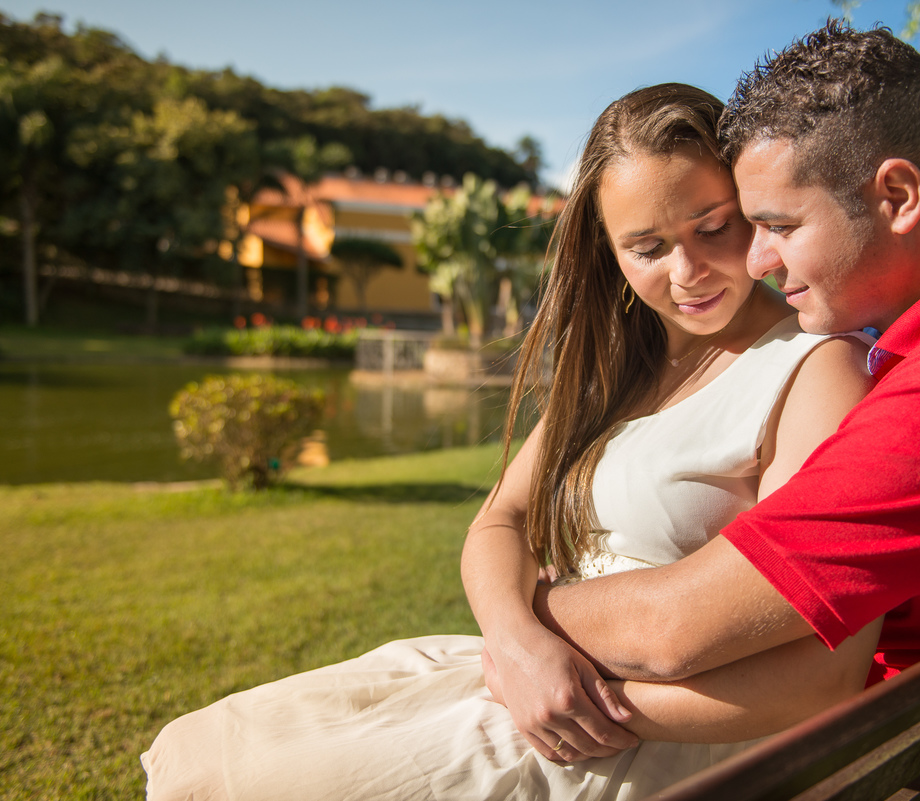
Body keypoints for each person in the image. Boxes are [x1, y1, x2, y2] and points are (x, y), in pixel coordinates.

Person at [141, 82, 880, 801]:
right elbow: (500, 518)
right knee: (212, 743)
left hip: (659, 739)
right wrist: (517, 645)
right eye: (647, 246)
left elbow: (824, 673)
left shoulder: (815, 369)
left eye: (713, 226)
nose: (687, 272)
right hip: (536, 681)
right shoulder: (619, 371)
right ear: (611, 254)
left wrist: (588, 703)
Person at [510, 21, 920, 757]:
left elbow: (671, 631)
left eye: (778, 225)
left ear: (896, 196)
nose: (757, 258)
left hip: (869, 750)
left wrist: (530, 607)